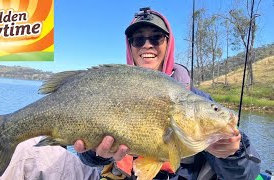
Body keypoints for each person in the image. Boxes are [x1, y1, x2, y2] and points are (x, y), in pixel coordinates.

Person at [74, 7, 261, 180]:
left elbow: (246, 174)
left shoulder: (196, 102)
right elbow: (85, 156)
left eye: (156, 38)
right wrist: (95, 155)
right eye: (138, 40)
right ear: (130, 46)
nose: (147, 45)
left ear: (168, 44)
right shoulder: (112, 90)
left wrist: (232, 153)